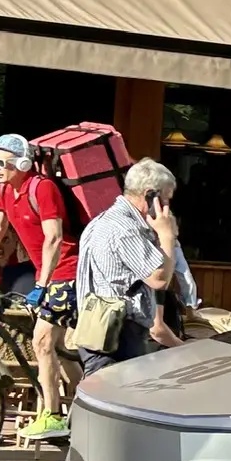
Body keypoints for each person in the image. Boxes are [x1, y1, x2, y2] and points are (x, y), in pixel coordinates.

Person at [0, 133, 80, 440]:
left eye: (2, 163)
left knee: (42, 342)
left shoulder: (42, 188)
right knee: (58, 348)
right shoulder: (5, 190)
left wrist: (42, 284)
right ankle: (86, 407)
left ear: (23, 163)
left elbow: (54, 238)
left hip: (67, 271)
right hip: (48, 274)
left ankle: (53, 416)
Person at [74, 158, 181, 376]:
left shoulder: (102, 220)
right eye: (166, 200)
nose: (167, 209)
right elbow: (159, 279)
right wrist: (167, 235)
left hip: (99, 328)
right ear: (150, 195)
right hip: (117, 334)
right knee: (112, 393)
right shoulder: (126, 229)